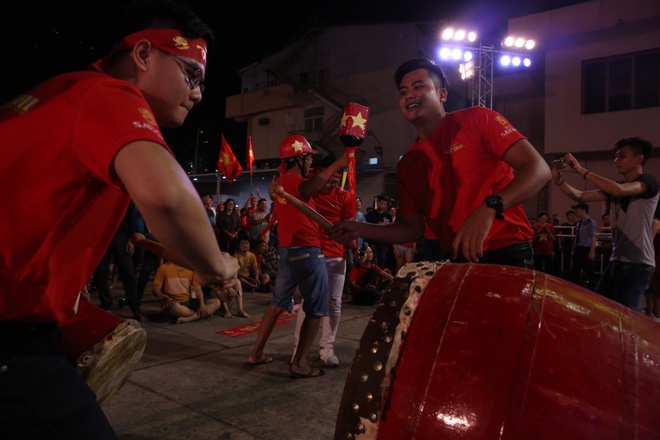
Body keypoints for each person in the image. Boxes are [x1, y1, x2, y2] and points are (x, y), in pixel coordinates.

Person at [0, 2, 239, 437]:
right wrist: (217, 265)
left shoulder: (64, 92)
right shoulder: (107, 94)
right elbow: (167, 197)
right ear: (144, 55)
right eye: (191, 75)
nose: (199, 93)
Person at [329, 58, 551, 267]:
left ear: (442, 94)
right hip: (453, 259)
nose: (409, 95)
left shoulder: (477, 119)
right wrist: (360, 228)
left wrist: (488, 208)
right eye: (403, 91)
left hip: (506, 251)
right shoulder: (408, 164)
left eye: (418, 87)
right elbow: (410, 229)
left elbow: (539, 169)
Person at [246, 134, 346, 379]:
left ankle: (256, 354)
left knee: (277, 305)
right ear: (299, 159)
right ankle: (299, 363)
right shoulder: (291, 180)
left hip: (288, 251)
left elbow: (312, 187)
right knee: (315, 310)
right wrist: (341, 161)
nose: (311, 163)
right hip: (307, 251)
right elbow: (308, 188)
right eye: (308, 158)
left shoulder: (281, 182)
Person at [553, 136, 659, 311]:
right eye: (615, 156)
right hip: (616, 260)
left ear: (639, 159)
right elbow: (579, 196)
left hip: (637, 263)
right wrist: (558, 180)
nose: (616, 161)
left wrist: (581, 170)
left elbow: (618, 190)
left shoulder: (647, 182)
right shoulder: (615, 187)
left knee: (627, 318)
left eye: (622, 156)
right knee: (601, 310)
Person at [293, 157, 353, 367]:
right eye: (328, 180)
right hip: (313, 253)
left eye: (335, 182)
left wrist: (357, 246)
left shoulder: (345, 197)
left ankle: (327, 348)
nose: (329, 185)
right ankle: (298, 350)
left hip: (337, 255)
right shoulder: (309, 189)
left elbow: (350, 226)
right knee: (308, 303)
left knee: (334, 303)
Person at [152, 261, 221, 323]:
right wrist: (163, 296)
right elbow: (156, 290)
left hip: (188, 301)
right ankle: (202, 314)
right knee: (175, 308)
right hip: (172, 303)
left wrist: (202, 304)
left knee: (216, 302)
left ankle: (190, 318)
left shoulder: (191, 269)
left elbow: (198, 290)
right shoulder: (164, 268)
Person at [365, 195, 393, 270]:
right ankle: (372, 278)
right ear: (378, 203)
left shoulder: (388, 215)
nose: (383, 205)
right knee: (373, 262)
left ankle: (380, 279)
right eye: (381, 203)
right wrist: (377, 225)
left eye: (385, 204)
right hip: (373, 240)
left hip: (384, 241)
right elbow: (367, 227)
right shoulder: (371, 214)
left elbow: (391, 227)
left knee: (382, 262)